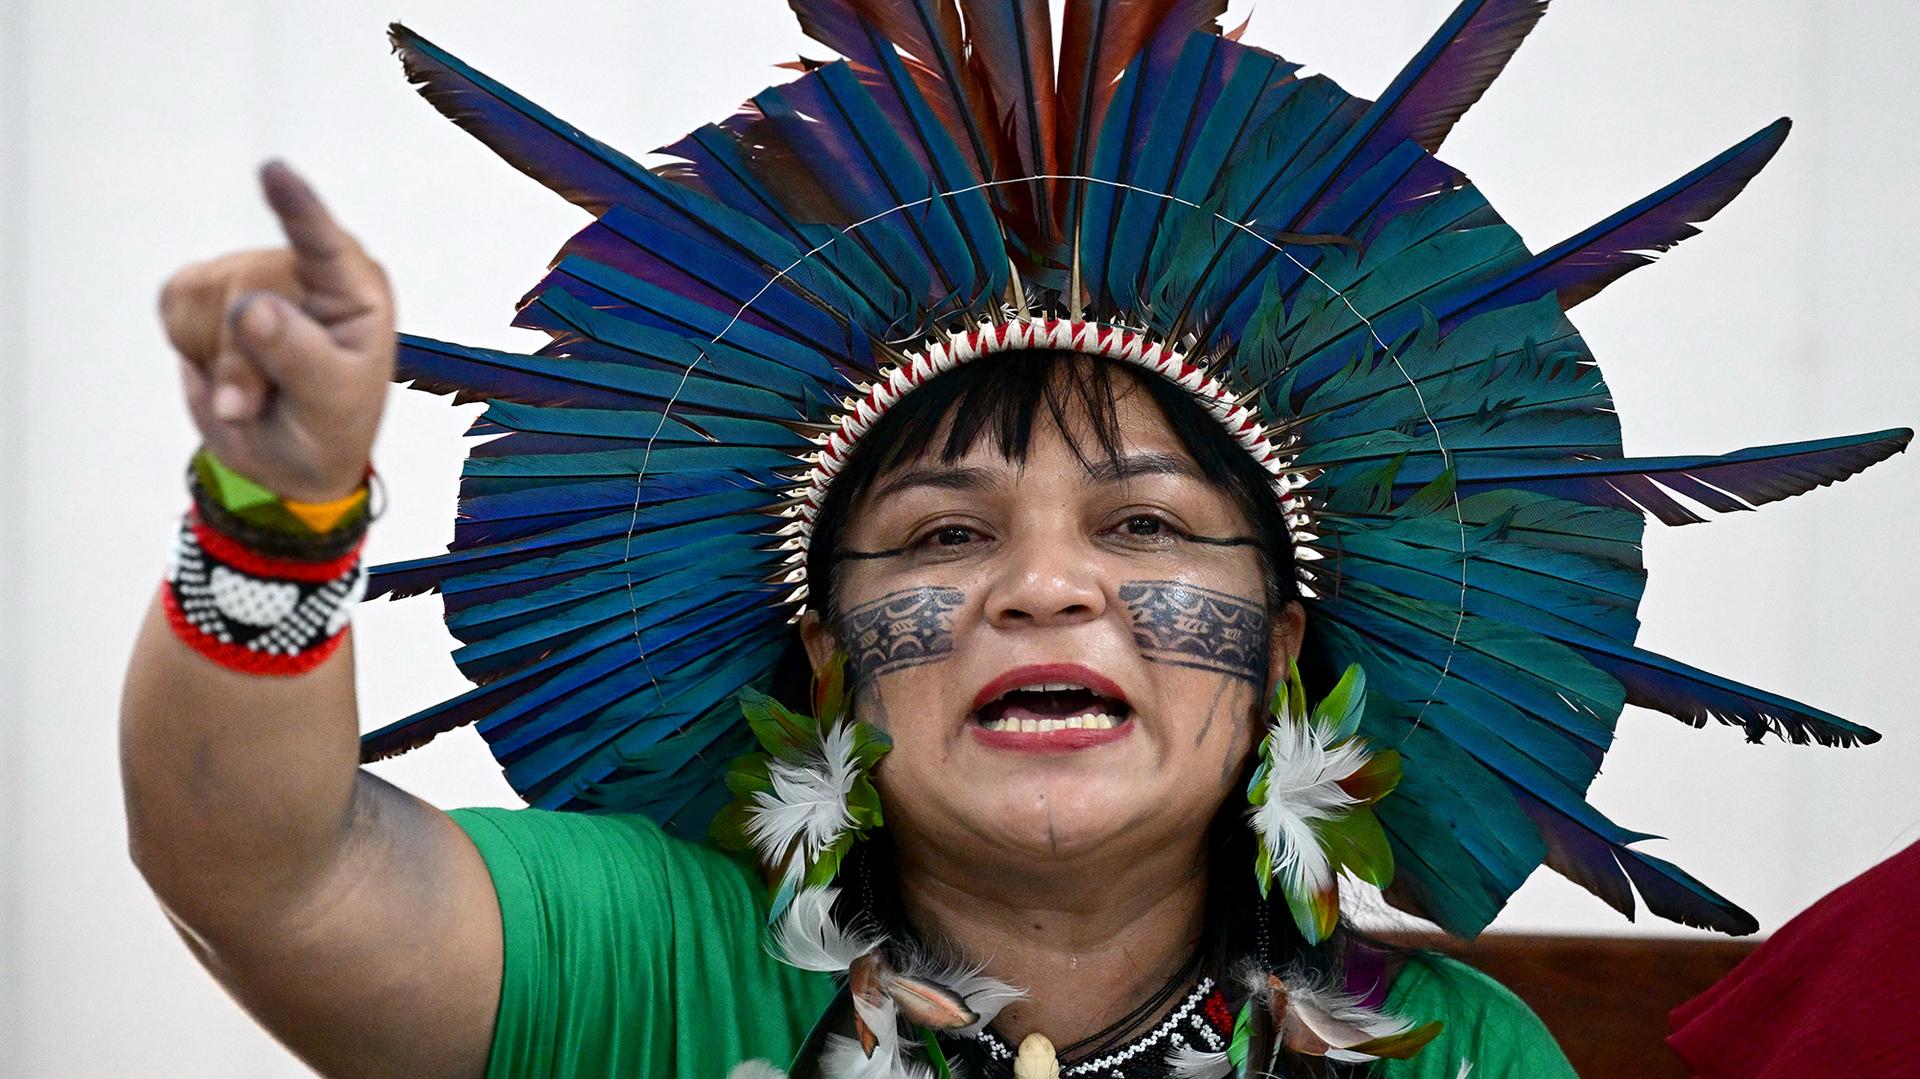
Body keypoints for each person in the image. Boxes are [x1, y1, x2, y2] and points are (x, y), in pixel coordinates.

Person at [122, 2, 1910, 1076]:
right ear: (823, 655)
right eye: (936, 538)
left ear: (1286, 650)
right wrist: (278, 517)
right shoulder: (648, 954)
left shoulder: (1455, 1060)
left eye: (1144, 525)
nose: (1042, 586)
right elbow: (272, 868)